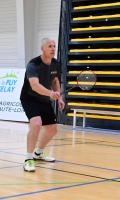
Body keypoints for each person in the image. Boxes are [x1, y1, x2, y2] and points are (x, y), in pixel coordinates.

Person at [20, 38, 65, 172]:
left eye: (54, 46)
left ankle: (38, 153)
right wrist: (51, 94)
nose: (53, 49)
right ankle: (28, 159)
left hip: (44, 99)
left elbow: (55, 80)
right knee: (36, 124)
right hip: (30, 98)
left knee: (52, 130)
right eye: (50, 46)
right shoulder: (33, 65)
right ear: (42, 49)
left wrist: (59, 97)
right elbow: (35, 86)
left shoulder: (56, 64)